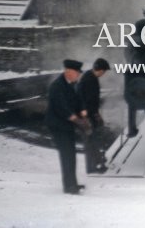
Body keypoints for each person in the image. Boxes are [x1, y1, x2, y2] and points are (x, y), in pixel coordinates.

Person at [45, 59, 91, 194]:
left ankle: (73, 184)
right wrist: (78, 120)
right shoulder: (57, 86)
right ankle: (68, 186)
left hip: (67, 125)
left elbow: (78, 100)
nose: (78, 75)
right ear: (68, 72)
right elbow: (62, 108)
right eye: (77, 73)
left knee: (71, 154)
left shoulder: (72, 84)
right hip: (57, 125)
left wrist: (83, 111)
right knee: (67, 154)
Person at [76, 58, 111, 173]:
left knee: (92, 140)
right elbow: (88, 100)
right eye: (104, 71)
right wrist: (94, 115)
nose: (104, 73)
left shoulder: (90, 77)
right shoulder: (89, 79)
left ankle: (95, 165)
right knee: (90, 141)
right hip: (86, 116)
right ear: (99, 69)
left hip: (88, 114)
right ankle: (92, 168)